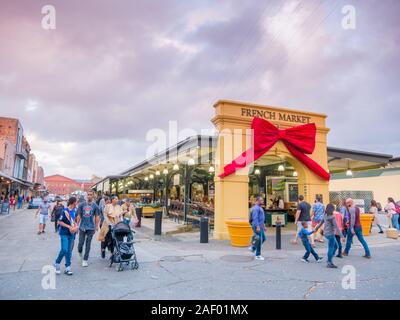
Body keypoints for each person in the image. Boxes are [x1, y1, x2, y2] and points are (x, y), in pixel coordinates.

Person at [314, 203, 345, 268]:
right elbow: (336, 227)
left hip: (326, 233)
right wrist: (342, 236)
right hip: (330, 234)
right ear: (332, 209)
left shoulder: (325, 215)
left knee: (336, 246)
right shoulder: (332, 217)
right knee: (331, 248)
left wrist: (316, 228)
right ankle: (329, 262)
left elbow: (320, 223)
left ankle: (329, 258)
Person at [54, 197, 78, 276]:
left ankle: (68, 268)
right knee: (64, 249)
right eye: (76, 202)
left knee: (69, 251)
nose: (76, 203)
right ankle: (57, 263)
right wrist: (69, 227)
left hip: (72, 234)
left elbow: (75, 221)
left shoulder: (75, 211)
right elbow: (59, 222)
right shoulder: (64, 211)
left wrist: (75, 227)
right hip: (64, 233)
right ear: (73, 202)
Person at [76, 191, 100, 267]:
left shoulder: (95, 206)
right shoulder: (81, 205)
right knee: (80, 243)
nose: (89, 196)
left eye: (91, 195)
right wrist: (76, 225)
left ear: (93, 196)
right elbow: (79, 215)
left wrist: (96, 226)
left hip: (91, 227)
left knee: (88, 244)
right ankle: (80, 252)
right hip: (82, 227)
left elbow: (97, 216)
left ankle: (85, 260)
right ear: (86, 196)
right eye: (88, 195)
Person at [249, 196, 267, 261]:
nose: (262, 201)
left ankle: (253, 248)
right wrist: (258, 226)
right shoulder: (256, 208)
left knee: (264, 238)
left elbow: (261, 218)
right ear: (257, 201)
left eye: (262, 200)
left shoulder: (260, 208)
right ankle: (258, 255)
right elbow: (255, 218)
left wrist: (264, 226)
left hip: (260, 226)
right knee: (259, 239)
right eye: (261, 200)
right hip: (257, 226)